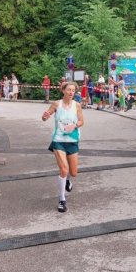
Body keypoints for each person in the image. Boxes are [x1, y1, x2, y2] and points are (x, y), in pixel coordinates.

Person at [41, 81, 84, 213]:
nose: (71, 92)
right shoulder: (56, 104)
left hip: (72, 140)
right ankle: (62, 200)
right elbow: (45, 117)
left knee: (73, 172)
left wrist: (74, 125)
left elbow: (81, 121)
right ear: (63, 90)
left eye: (73, 90)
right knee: (64, 169)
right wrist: (45, 116)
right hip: (58, 140)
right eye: (69, 90)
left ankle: (67, 180)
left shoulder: (77, 105)